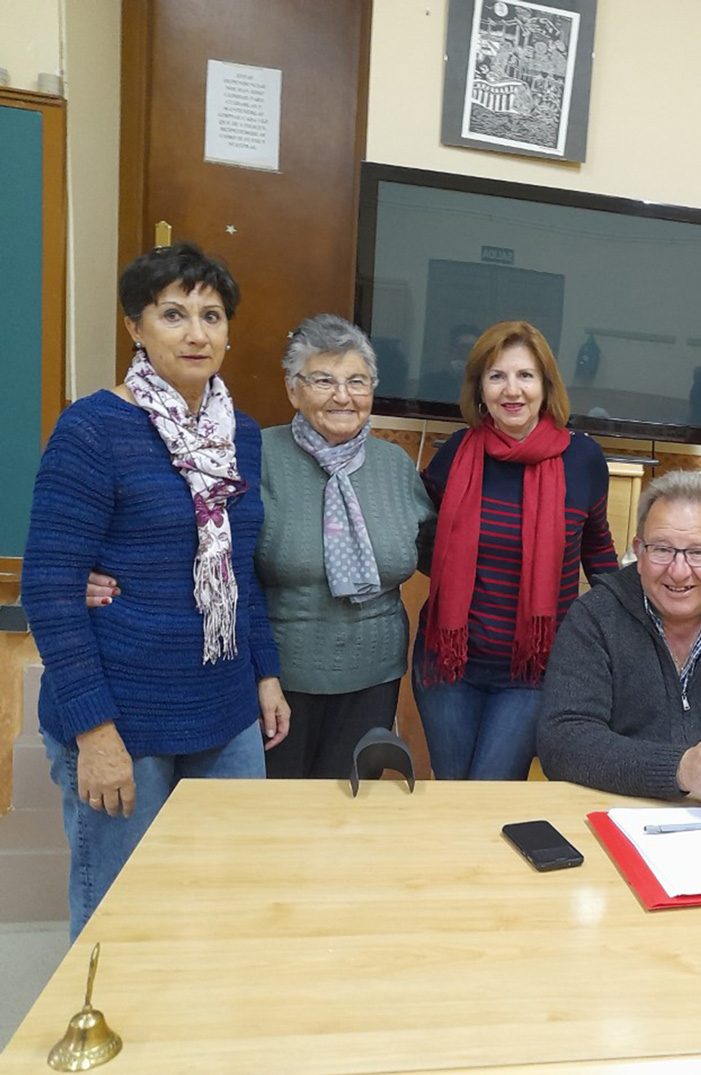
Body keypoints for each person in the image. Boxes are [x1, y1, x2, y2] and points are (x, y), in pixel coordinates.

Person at [22, 243, 288, 940]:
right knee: (120, 913)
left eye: (212, 315)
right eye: (173, 314)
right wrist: (95, 734)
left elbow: (240, 570)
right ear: (136, 327)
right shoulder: (93, 428)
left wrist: (265, 674)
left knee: (226, 891)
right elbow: (50, 588)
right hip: (122, 714)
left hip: (224, 706)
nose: (196, 333)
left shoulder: (243, 436)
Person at [413, 320, 618, 780]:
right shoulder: (455, 454)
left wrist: (625, 632)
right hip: (448, 667)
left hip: (534, 673)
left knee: (490, 796)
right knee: (449, 793)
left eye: (525, 375)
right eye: (496, 376)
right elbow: (425, 542)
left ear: (546, 385)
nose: (512, 390)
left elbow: (599, 552)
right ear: (480, 389)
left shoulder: (583, 460)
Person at [536, 471, 701, 808]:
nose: (679, 572)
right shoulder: (594, 616)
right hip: (612, 809)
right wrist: (680, 770)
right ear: (638, 552)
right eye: (662, 550)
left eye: (698, 553)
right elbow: (562, 738)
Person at [253, 314, 436, 778]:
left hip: (374, 674)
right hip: (278, 680)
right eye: (323, 380)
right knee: (277, 816)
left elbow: (439, 550)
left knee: (347, 813)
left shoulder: (394, 464)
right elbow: (223, 567)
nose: (343, 396)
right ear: (293, 390)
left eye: (357, 381)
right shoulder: (258, 457)